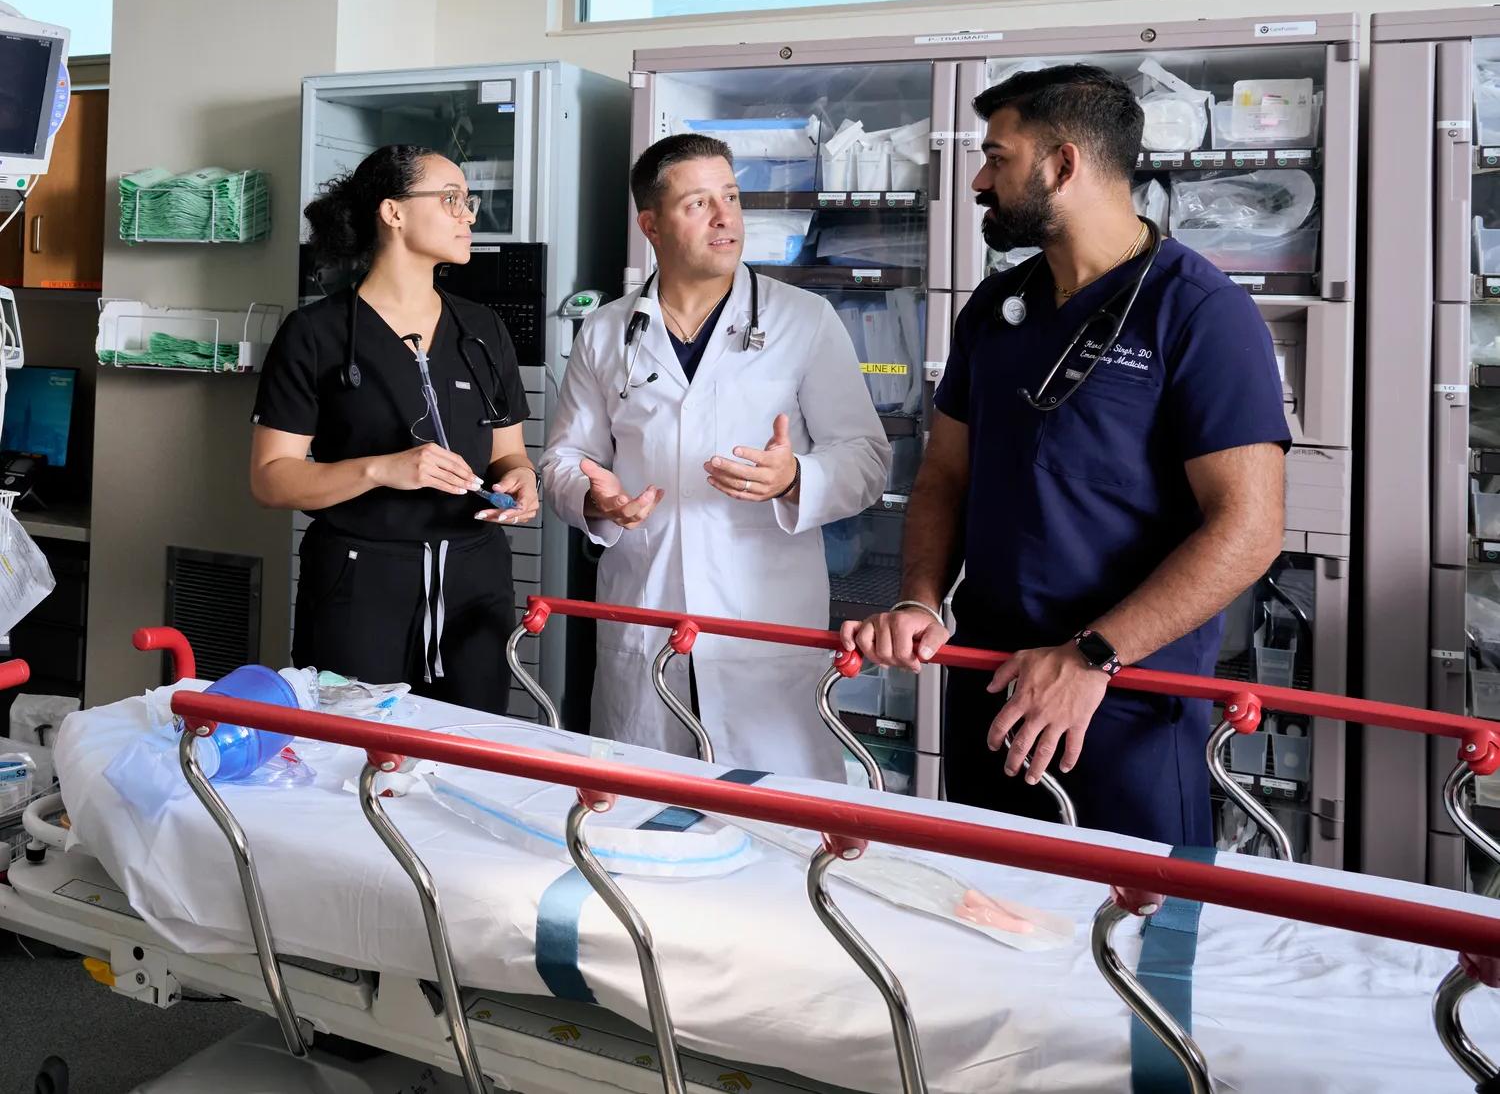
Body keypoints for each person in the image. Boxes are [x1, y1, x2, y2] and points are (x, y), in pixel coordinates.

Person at [843, 64, 1288, 846]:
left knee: (1127, 941)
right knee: (981, 914)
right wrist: (919, 599)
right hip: (987, 681)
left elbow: (1248, 528)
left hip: (1120, 700)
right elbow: (946, 476)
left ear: (1063, 165)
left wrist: (1090, 658)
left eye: (997, 157)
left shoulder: (1200, 314)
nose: (980, 180)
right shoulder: (996, 307)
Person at [541, 133, 891, 781]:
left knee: (776, 827)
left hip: (761, 625)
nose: (725, 216)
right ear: (650, 224)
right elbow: (565, 458)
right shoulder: (607, 331)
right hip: (646, 620)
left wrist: (795, 479)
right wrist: (596, 498)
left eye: (730, 196)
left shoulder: (804, 320)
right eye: (698, 202)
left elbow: (867, 459)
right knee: (639, 822)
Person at [249, 144, 540, 713]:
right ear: (394, 212)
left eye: (468, 201)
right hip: (360, 585)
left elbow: (510, 455)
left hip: (474, 583)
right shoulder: (315, 333)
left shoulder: (482, 329)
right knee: (347, 760)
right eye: (451, 199)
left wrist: (522, 480)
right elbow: (270, 479)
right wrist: (384, 468)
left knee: (469, 754)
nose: (469, 215)